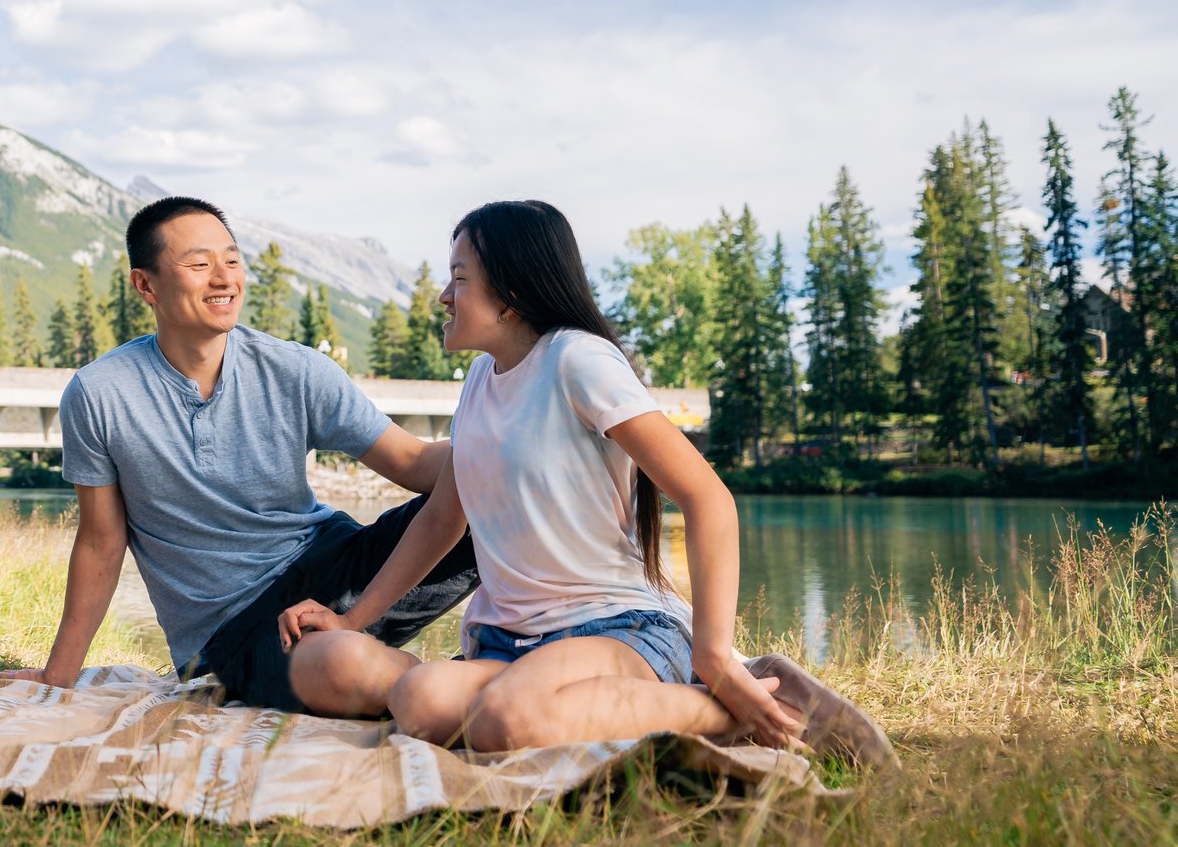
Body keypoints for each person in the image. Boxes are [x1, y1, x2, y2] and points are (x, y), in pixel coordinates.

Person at [277, 200, 894, 766]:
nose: (444, 295)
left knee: (506, 723)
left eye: (460, 278)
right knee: (415, 699)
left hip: (616, 626)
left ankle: (729, 701)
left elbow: (708, 498)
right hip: (509, 640)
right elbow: (442, 519)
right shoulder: (479, 382)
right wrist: (353, 621)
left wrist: (714, 652)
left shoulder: (578, 359)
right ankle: (647, 703)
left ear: (511, 293)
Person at [6, 195, 480, 716]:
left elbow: (413, 463)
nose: (224, 278)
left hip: (338, 566)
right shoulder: (99, 394)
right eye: (199, 263)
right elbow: (100, 542)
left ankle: (519, 652)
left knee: (496, 503)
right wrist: (59, 674)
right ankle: (464, 684)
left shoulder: (295, 369)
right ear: (146, 284)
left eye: (232, 260)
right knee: (345, 667)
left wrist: (514, 457)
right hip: (235, 628)